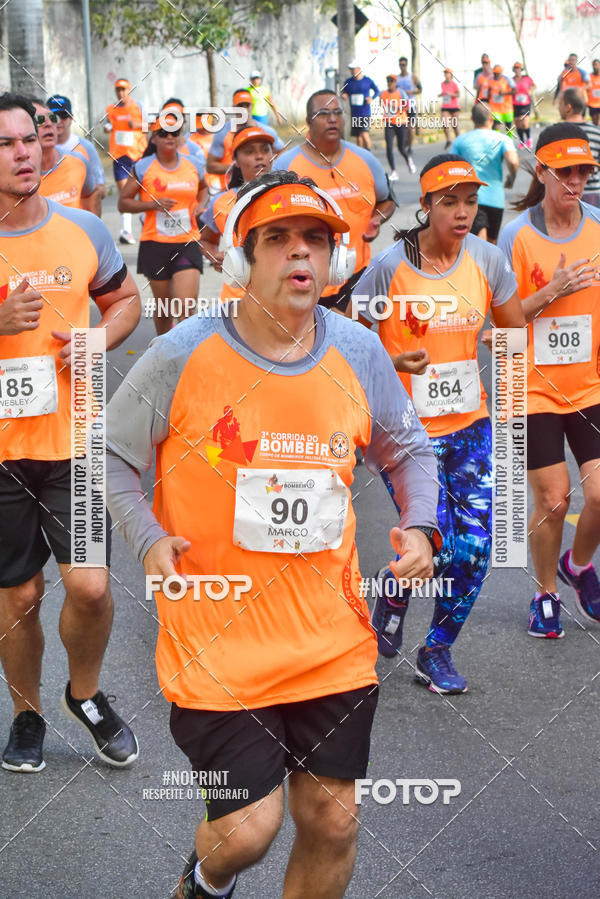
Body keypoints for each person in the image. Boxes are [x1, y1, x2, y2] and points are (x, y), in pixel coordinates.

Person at [105, 168, 440, 899]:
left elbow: (408, 447)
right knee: (247, 829)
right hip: (218, 641)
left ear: (334, 259)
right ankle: (204, 878)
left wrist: (420, 524)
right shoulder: (180, 354)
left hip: (331, 639)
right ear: (243, 258)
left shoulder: (357, 351)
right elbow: (111, 455)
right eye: (279, 239)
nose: (300, 255)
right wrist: (149, 537)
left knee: (332, 818)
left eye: (316, 241)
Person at [0, 92, 141, 773]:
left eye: (29, 139)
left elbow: (126, 300)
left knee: (90, 587)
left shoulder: (83, 229)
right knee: (20, 596)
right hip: (2, 456)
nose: (25, 152)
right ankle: (26, 713)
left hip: (74, 443)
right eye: (6, 143)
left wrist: (95, 338)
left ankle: (83, 694)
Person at [353, 154, 525, 692]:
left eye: (470, 201)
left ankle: (437, 649)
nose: (462, 212)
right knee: (436, 539)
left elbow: (514, 335)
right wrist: (393, 364)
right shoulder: (389, 267)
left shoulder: (489, 260)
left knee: (474, 549)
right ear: (425, 206)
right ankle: (400, 585)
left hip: (471, 424)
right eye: (448, 201)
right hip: (406, 431)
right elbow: (350, 344)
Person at [498, 123, 600, 637]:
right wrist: (553, 290)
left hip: (590, 385)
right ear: (542, 171)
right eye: (565, 172)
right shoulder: (517, 236)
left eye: (584, 171)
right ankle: (544, 592)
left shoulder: (599, 226)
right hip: (532, 387)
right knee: (554, 500)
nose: (575, 181)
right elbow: (502, 318)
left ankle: (578, 565)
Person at [272, 89, 395, 311]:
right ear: (308, 120)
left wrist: (376, 219)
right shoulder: (286, 166)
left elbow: (387, 201)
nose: (332, 119)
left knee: (351, 342)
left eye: (338, 112)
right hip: (303, 276)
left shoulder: (366, 160)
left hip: (356, 276)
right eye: (323, 113)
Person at [118, 113, 207, 335]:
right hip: (155, 244)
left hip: (187, 241)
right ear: (154, 138)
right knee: (165, 308)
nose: (169, 137)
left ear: (180, 137)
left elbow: (204, 188)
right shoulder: (143, 167)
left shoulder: (194, 164)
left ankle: (187, 354)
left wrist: (201, 204)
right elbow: (123, 203)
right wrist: (152, 205)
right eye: (163, 133)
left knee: (186, 305)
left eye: (174, 133)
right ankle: (164, 347)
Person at [199, 125, 274, 300]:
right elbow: (204, 240)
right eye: (249, 152)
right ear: (236, 162)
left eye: (265, 150)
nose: (259, 156)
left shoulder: (288, 195)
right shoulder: (221, 203)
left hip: (279, 299)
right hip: (236, 301)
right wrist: (214, 256)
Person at [453, 103, 519, 243]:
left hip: (471, 197)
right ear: (491, 119)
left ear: (472, 118)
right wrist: (511, 179)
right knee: (491, 243)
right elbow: (513, 162)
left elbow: (450, 166)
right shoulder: (502, 139)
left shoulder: (460, 141)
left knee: (477, 243)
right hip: (496, 199)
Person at [206, 89, 284, 190]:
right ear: (234, 108)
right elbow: (210, 166)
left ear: (252, 106)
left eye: (247, 105)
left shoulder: (266, 131)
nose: (244, 109)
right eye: (240, 106)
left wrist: (268, 167)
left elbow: (283, 151)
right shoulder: (223, 132)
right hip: (230, 188)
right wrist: (238, 169)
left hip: (264, 185)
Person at [32, 100, 97, 211]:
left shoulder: (79, 161)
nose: (48, 124)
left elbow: (91, 194)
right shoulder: (16, 176)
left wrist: (92, 226)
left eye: (52, 118)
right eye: (40, 119)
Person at [47, 94, 106, 216]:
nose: (58, 121)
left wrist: (70, 194)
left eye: (63, 116)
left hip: (78, 223)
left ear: (72, 117)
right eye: (54, 116)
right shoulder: (39, 149)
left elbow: (101, 190)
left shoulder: (86, 148)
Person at [104, 77, 146, 244]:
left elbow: (151, 125)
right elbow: (107, 125)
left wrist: (136, 124)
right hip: (119, 155)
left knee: (143, 192)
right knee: (125, 193)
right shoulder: (111, 109)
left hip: (138, 154)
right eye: (118, 90)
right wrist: (107, 128)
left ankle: (145, 222)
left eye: (124, 89)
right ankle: (127, 230)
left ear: (129, 90)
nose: (121, 93)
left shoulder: (138, 106)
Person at [558, 88, 600, 207]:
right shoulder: (597, 132)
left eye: (560, 104)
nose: (558, 108)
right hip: (593, 194)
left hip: (565, 193)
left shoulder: (556, 133)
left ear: (568, 107)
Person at [341, 60, 380, 151]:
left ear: (358, 69)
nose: (351, 71)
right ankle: (361, 156)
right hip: (354, 113)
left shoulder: (367, 81)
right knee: (358, 137)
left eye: (353, 69)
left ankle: (369, 152)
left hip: (365, 113)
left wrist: (371, 98)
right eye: (350, 69)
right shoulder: (348, 82)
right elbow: (344, 92)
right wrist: (344, 95)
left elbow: (377, 91)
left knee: (364, 133)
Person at [379, 73, 410, 180]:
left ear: (396, 82)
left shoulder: (401, 92)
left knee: (401, 148)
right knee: (389, 147)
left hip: (400, 123)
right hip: (389, 123)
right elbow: (381, 104)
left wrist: (395, 107)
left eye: (392, 81)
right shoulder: (383, 93)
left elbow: (407, 107)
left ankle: (408, 159)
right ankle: (393, 170)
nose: (390, 83)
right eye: (388, 81)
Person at [397, 56, 421, 165]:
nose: (402, 67)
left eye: (404, 65)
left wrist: (411, 93)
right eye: (401, 65)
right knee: (402, 127)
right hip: (400, 107)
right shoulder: (397, 78)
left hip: (411, 104)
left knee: (410, 128)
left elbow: (420, 89)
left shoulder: (413, 77)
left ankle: (410, 147)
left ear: (406, 65)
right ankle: (404, 144)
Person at [511, 63, 536, 149]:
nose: (517, 70)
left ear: (521, 70)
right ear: (513, 70)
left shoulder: (527, 79)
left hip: (525, 104)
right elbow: (508, 89)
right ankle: (522, 141)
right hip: (515, 104)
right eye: (515, 68)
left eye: (519, 68)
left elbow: (534, 85)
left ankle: (529, 139)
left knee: (524, 123)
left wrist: (531, 90)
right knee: (518, 123)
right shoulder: (511, 80)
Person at [488, 65, 515, 135]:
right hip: (495, 109)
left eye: (498, 73)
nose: (496, 75)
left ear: (501, 73)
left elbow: (515, 91)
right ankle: (497, 143)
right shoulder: (490, 80)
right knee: (495, 126)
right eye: (495, 73)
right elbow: (488, 92)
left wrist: (504, 93)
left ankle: (510, 142)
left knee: (508, 128)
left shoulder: (507, 79)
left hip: (507, 108)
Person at [439, 68, 461, 149]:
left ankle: (459, 140)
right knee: (444, 123)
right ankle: (448, 140)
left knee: (454, 125)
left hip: (454, 106)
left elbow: (458, 94)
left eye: (447, 73)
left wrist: (450, 94)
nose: (446, 74)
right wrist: (441, 95)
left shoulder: (454, 84)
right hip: (445, 106)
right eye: (445, 73)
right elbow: (444, 93)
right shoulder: (442, 84)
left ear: (451, 75)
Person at [587, 59, 600, 126]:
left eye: (596, 65)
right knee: (595, 123)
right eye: (594, 65)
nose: (595, 67)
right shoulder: (589, 77)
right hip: (592, 104)